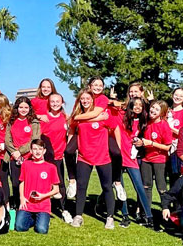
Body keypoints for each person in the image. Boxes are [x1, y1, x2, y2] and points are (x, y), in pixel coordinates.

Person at [70, 90, 114, 229]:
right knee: (82, 187)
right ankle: (78, 216)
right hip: (84, 157)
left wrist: (117, 150)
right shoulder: (77, 117)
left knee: (107, 187)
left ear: (92, 99)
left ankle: (110, 217)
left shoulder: (104, 114)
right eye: (82, 98)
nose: (85, 100)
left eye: (87, 98)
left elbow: (114, 128)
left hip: (103, 156)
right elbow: (72, 126)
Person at [113, 97, 155, 230]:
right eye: (135, 104)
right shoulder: (122, 116)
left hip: (131, 158)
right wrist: (114, 99)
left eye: (140, 105)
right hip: (119, 156)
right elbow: (113, 106)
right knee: (120, 188)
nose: (137, 107)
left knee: (139, 187)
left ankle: (149, 218)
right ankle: (125, 215)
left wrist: (151, 101)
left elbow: (158, 112)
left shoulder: (144, 119)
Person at [139, 99, 172, 226]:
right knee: (146, 187)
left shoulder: (164, 125)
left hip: (159, 160)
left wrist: (151, 143)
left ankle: (166, 213)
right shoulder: (146, 123)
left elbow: (168, 147)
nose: (153, 110)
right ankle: (147, 215)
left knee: (161, 188)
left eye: (156, 109)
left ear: (162, 113)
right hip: (146, 159)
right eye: (152, 108)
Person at [15, 139, 59, 234]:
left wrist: (43, 196)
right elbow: (22, 182)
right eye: (35, 149)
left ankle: (43, 219)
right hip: (28, 203)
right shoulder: (26, 164)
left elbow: (56, 189)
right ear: (30, 151)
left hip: (43, 205)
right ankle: (34, 219)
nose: (37, 151)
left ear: (44, 151)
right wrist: (22, 198)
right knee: (19, 227)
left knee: (41, 230)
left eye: (40, 149)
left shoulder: (51, 167)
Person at [4, 97, 41, 206]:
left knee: (29, 182)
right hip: (14, 157)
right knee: (15, 183)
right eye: (21, 107)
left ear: (30, 108)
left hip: (28, 156)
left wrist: (20, 151)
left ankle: (31, 205)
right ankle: (17, 204)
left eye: (26, 107)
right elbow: (7, 140)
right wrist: (14, 152)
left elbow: (34, 140)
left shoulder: (34, 122)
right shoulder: (11, 121)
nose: (23, 110)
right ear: (16, 108)